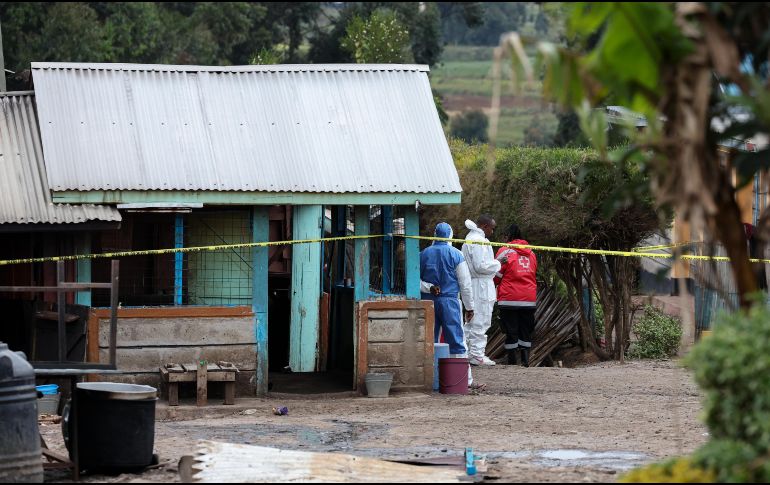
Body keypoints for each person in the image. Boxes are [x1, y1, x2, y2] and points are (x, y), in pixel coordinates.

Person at [420, 222, 479, 387]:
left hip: (428, 302)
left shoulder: (423, 254)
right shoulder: (456, 255)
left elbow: (413, 280)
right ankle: (463, 381)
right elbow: (465, 284)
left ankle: (429, 380)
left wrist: (429, 288)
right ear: (450, 236)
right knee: (457, 340)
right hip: (450, 302)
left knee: (428, 340)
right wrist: (470, 307)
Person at [494, 224, 537, 366]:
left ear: (508, 237)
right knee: (526, 330)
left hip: (509, 298)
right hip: (529, 299)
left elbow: (496, 274)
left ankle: (512, 362)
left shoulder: (504, 251)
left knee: (510, 330)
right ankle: (525, 361)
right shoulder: (532, 253)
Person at [462, 215, 502, 366]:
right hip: (481, 286)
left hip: (477, 284)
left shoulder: (470, 238)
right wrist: (498, 263)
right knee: (481, 320)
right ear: (485, 226)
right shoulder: (478, 241)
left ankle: (467, 352)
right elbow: (480, 266)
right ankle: (477, 354)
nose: (492, 231)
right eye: (492, 228)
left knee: (472, 321)